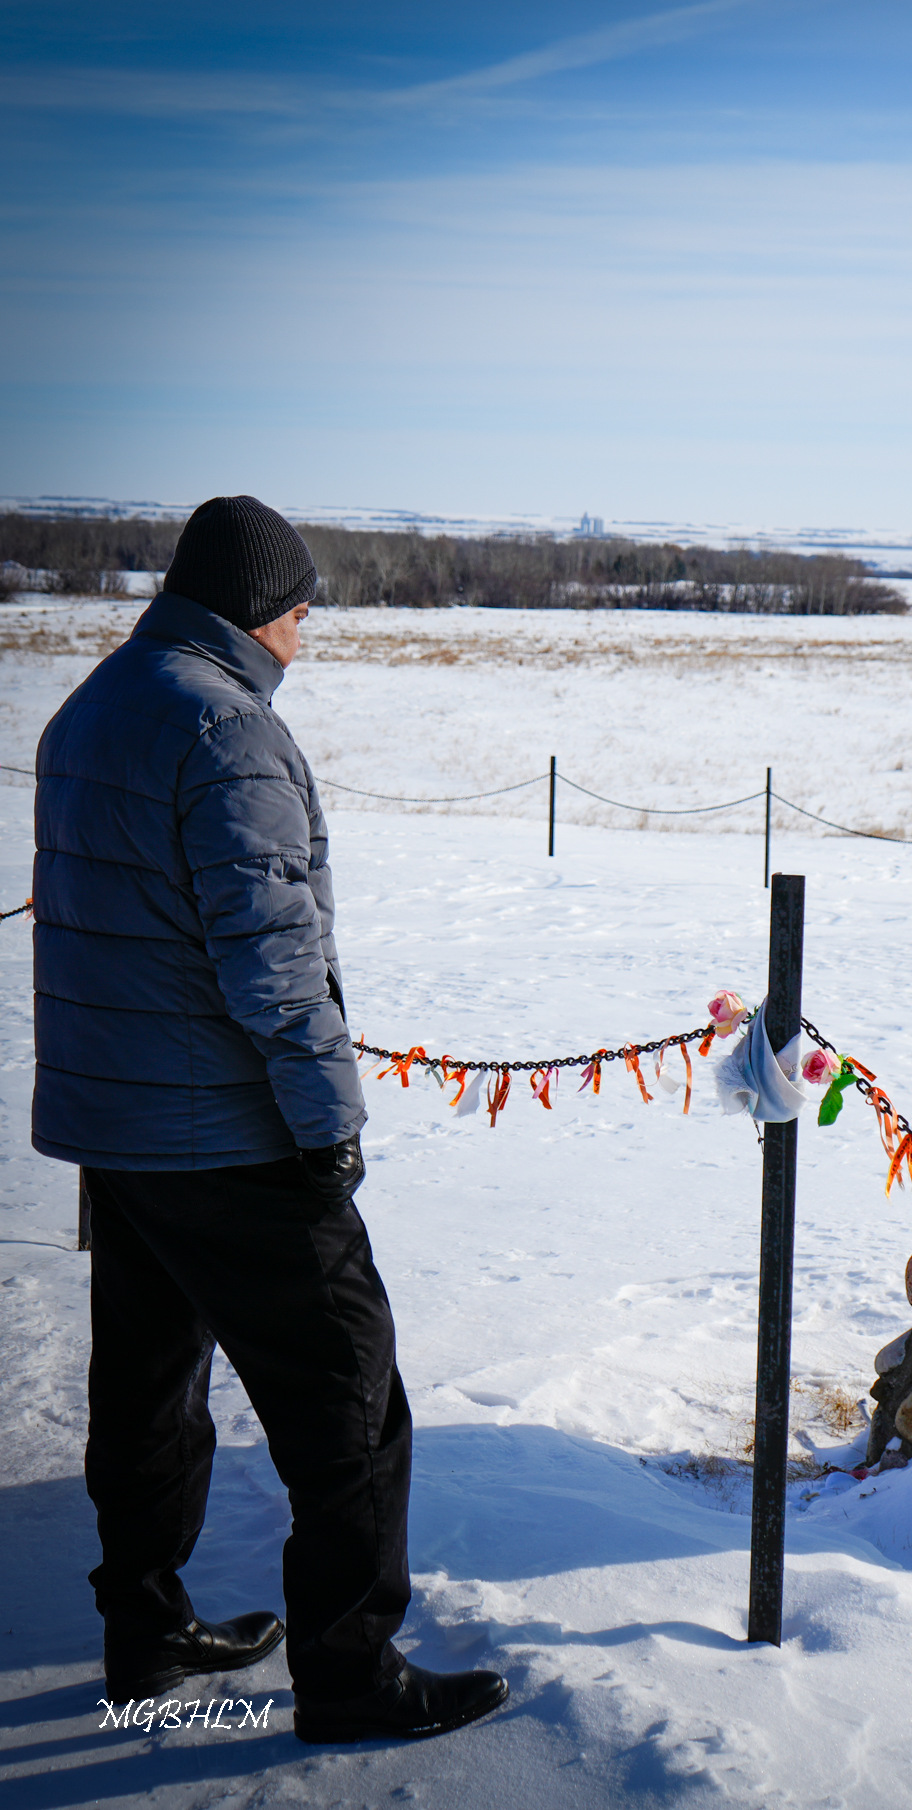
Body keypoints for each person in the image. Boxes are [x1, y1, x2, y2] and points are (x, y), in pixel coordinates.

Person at [33, 496, 507, 1744]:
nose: (304, 634)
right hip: (226, 1130)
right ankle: (348, 1674)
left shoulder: (94, 703)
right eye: (299, 612)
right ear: (255, 610)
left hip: (120, 1122)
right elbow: (274, 959)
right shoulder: (227, 729)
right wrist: (325, 1123)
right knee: (347, 1389)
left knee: (149, 1384)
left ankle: (144, 1629)